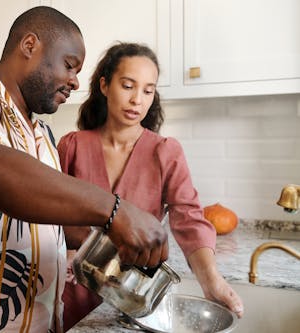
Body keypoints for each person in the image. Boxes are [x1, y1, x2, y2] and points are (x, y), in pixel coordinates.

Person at [0, 6, 169, 333]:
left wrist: (113, 245)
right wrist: (116, 211)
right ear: (30, 46)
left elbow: (47, 222)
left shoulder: (41, 133)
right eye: (69, 65)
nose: (74, 81)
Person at [57, 42, 245, 330]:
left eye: (148, 90)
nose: (137, 100)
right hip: (68, 292)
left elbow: (189, 220)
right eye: (128, 86)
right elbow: (50, 215)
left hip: (129, 299)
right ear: (105, 86)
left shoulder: (165, 152)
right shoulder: (72, 146)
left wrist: (212, 282)